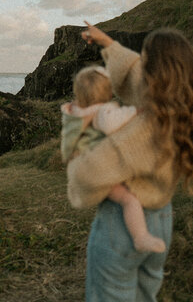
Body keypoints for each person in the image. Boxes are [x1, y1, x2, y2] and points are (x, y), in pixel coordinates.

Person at [66, 21, 193, 302]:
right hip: (160, 221)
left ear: (154, 75)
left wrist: (75, 156)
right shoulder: (183, 112)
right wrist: (106, 42)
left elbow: (89, 173)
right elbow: (133, 69)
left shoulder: (145, 132)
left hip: (122, 227)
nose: (139, 66)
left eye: (145, 61)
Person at [61, 65, 166, 254]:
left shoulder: (73, 113)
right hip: (95, 167)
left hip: (77, 171)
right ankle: (140, 237)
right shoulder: (100, 111)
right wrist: (135, 111)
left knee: (120, 192)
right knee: (129, 200)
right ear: (108, 94)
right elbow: (110, 123)